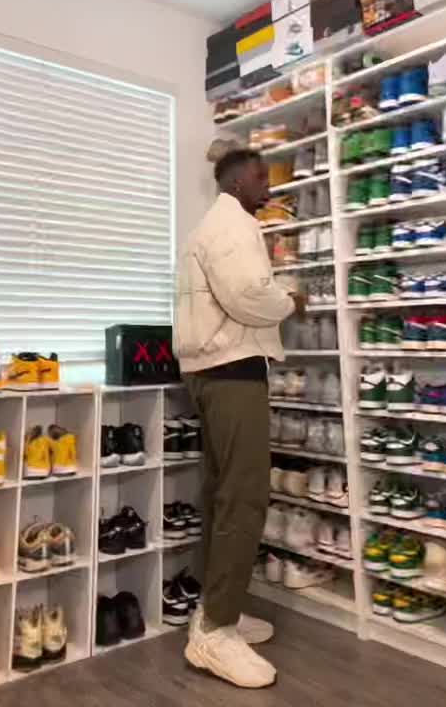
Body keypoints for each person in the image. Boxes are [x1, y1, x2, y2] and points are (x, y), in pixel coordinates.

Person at [173, 148, 305, 688]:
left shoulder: (218, 224)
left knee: (223, 494)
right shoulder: (232, 225)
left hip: (214, 370)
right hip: (231, 371)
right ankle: (215, 633)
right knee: (245, 495)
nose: (267, 185)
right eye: (259, 176)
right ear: (234, 181)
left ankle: (215, 609)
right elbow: (249, 295)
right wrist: (291, 301)